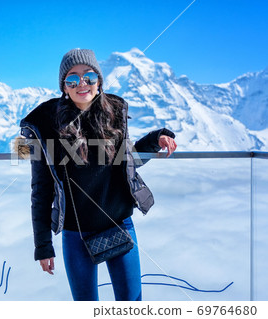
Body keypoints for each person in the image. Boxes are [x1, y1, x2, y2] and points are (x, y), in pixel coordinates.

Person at [17, 48, 177, 301]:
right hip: (75, 233)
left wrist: (156, 139)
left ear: (99, 81)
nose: (82, 83)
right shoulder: (47, 125)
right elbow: (41, 190)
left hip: (119, 224)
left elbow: (127, 160)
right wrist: (43, 245)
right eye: (72, 79)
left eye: (89, 76)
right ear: (64, 87)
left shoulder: (113, 114)